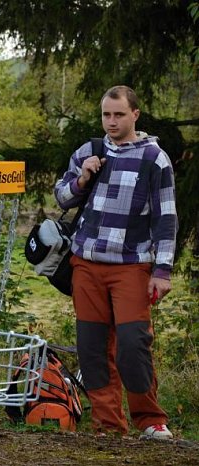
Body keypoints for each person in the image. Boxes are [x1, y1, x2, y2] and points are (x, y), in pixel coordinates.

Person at [54, 86, 177, 439]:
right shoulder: (89, 150)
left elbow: (166, 218)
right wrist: (82, 178)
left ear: (135, 115)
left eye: (119, 114)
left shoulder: (154, 159)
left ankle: (151, 421)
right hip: (86, 263)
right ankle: (108, 426)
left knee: (132, 344)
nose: (111, 121)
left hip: (131, 265)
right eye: (106, 114)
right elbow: (61, 196)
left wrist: (163, 270)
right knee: (92, 348)